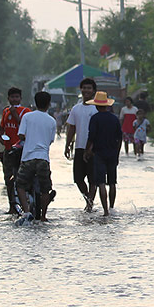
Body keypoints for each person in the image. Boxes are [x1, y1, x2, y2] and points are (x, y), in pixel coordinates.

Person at [15, 91, 58, 226]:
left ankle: (26, 212)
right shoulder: (52, 120)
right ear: (49, 104)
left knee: (20, 185)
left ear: (35, 102)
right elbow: (51, 140)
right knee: (45, 189)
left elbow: (21, 135)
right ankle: (43, 217)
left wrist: (30, 138)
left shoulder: (27, 117)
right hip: (43, 158)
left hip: (28, 157)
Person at [86, 91, 123, 216]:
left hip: (99, 154)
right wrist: (117, 153)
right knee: (112, 182)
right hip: (112, 153)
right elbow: (120, 137)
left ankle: (106, 211)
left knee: (101, 182)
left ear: (96, 106)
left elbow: (91, 137)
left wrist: (87, 150)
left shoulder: (95, 119)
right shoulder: (114, 118)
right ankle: (112, 208)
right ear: (107, 105)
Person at [64, 78, 98, 211]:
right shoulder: (76, 109)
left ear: (94, 91)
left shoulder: (96, 109)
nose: (86, 90)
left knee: (92, 179)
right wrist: (67, 145)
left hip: (93, 149)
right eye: (84, 88)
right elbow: (71, 128)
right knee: (78, 178)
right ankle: (88, 199)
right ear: (81, 90)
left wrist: (93, 147)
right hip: (79, 147)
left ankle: (89, 204)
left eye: (89, 88)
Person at [0, 87, 31, 213]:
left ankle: (26, 204)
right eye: (12, 97)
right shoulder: (5, 111)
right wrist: (1, 138)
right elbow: (2, 127)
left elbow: (25, 127)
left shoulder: (26, 111)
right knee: (8, 178)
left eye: (17, 97)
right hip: (8, 149)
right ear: (8, 98)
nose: (14, 99)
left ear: (20, 98)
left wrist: (15, 114)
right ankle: (12, 205)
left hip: (21, 149)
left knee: (23, 177)